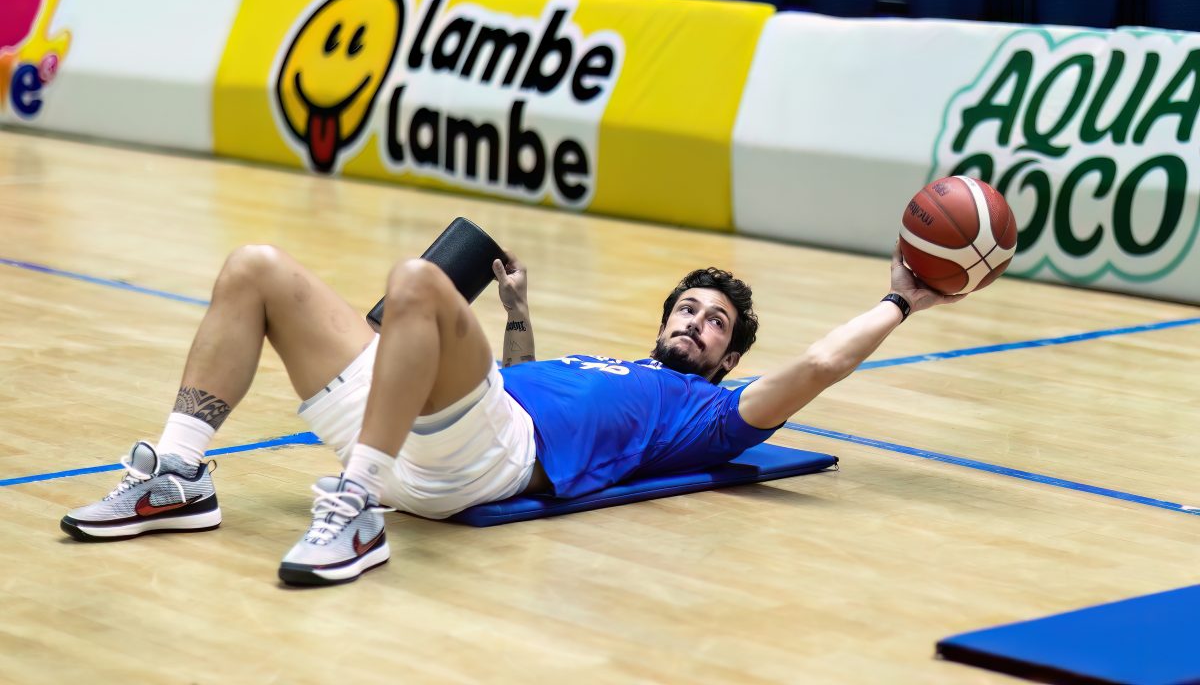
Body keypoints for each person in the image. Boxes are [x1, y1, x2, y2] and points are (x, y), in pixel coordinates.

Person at [61, 239, 962, 586]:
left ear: (730, 357)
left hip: (476, 461)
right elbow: (507, 386)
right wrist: (518, 317)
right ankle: (179, 475)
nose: (694, 321)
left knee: (418, 282)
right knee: (255, 266)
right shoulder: (603, 363)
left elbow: (818, 365)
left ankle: (359, 510)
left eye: (714, 322)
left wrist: (900, 301)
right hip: (436, 424)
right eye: (686, 308)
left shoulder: (711, 410)